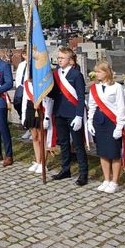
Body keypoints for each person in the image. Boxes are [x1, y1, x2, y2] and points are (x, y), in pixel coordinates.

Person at [50, 47, 88, 186]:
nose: (59, 60)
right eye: (58, 58)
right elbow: (53, 93)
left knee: (78, 145)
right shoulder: (55, 74)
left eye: (62, 58)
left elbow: (80, 97)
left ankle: (83, 174)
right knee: (64, 143)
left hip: (72, 114)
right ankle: (65, 169)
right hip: (59, 112)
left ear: (70, 60)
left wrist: (79, 115)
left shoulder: (76, 75)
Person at [87, 61, 125, 193]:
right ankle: (106, 179)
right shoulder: (95, 88)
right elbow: (92, 105)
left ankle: (114, 181)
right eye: (96, 71)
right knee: (103, 152)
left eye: (99, 71)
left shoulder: (116, 87)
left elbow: (121, 108)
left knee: (114, 153)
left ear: (107, 72)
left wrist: (119, 126)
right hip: (99, 121)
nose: (96, 74)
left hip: (112, 122)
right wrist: (90, 121)